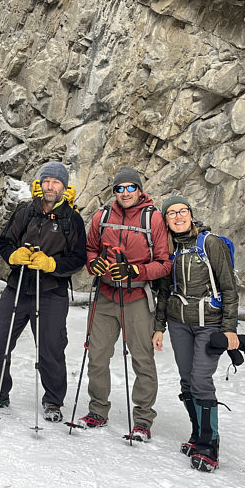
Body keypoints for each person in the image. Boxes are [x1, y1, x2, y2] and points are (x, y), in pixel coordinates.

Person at [0, 162, 86, 423]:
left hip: (51, 291)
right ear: (39, 184)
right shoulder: (25, 211)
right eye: (46, 181)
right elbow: (4, 242)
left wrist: (52, 264)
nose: (50, 186)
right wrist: (14, 255)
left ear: (64, 187)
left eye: (56, 182)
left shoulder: (72, 219)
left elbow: (79, 259)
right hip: (18, 286)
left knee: (51, 348)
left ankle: (53, 401)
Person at [79, 166, 171, 440]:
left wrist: (136, 271)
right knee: (96, 356)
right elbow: (91, 248)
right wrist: (93, 264)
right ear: (114, 192)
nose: (125, 193)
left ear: (139, 190)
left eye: (131, 187)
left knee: (142, 359)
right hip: (105, 294)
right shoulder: (102, 216)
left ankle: (142, 420)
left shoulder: (152, 219)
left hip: (137, 297)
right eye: (120, 188)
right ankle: (97, 410)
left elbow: (165, 264)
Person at [153, 195, 239, 472]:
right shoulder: (168, 249)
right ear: (165, 220)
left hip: (209, 325)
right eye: (172, 214)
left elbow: (229, 288)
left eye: (183, 211)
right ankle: (197, 434)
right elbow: (164, 292)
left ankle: (209, 444)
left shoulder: (210, 243)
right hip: (179, 324)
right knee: (187, 381)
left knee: (201, 380)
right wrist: (159, 327)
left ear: (191, 214)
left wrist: (229, 329)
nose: (178, 217)